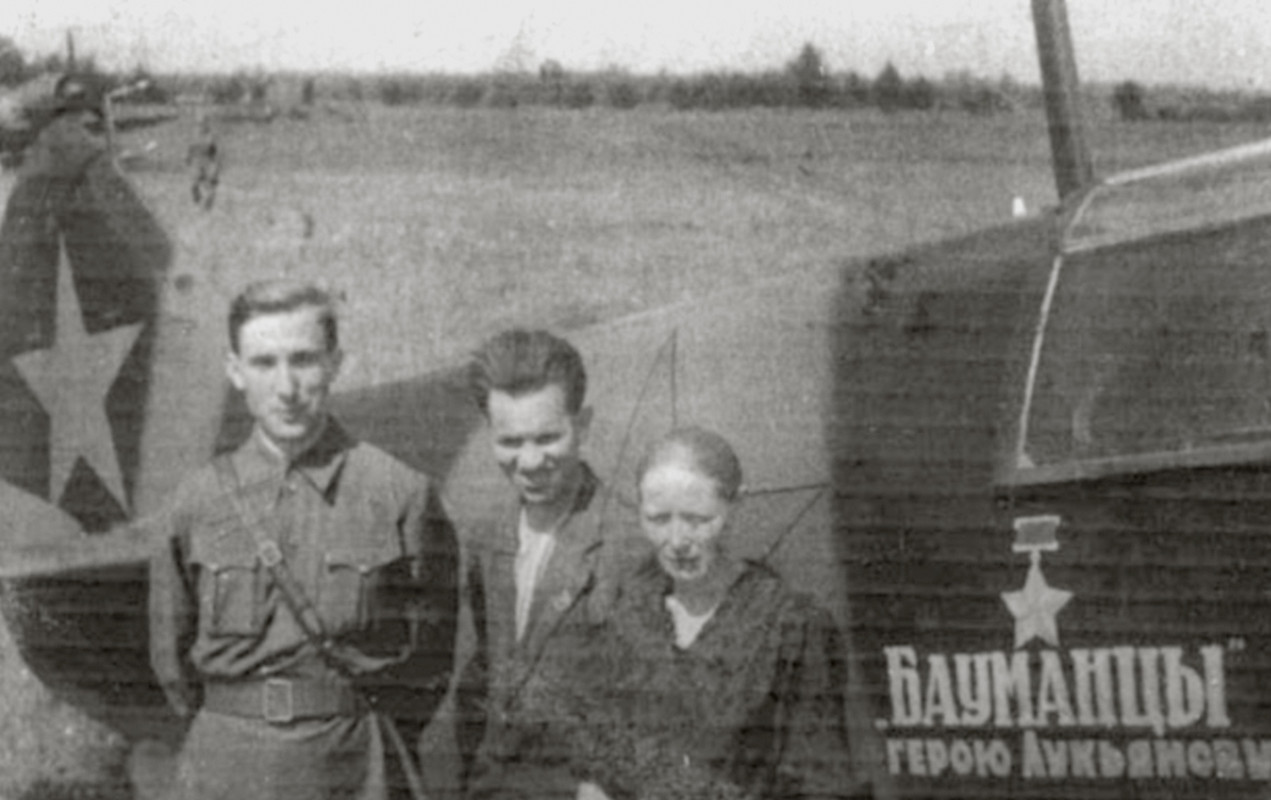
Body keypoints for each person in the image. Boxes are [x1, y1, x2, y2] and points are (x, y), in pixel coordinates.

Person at [149, 279, 459, 800]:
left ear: (335, 364)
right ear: (234, 371)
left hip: (351, 765)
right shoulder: (195, 503)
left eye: (304, 360)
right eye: (264, 363)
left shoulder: (398, 493)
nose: (286, 387)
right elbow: (171, 662)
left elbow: (430, 659)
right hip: (226, 767)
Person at [527, 426, 867, 800]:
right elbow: (596, 764)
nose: (676, 542)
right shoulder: (626, 613)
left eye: (697, 520)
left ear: (735, 506)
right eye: (658, 519)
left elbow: (823, 784)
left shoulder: (790, 627)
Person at [452, 328, 641, 799]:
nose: (530, 461)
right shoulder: (487, 538)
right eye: (510, 442)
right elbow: (486, 678)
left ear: (585, 424)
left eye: (548, 437)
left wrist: (603, 783)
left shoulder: (629, 544)